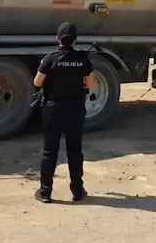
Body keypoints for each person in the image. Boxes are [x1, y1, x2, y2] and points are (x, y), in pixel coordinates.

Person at [33, 22, 95, 203]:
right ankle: (77, 190)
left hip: (54, 109)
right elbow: (90, 84)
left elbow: (37, 82)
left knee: (49, 151)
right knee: (74, 150)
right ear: (75, 39)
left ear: (58, 38)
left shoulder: (50, 58)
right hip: (75, 109)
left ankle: (45, 192)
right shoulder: (83, 59)